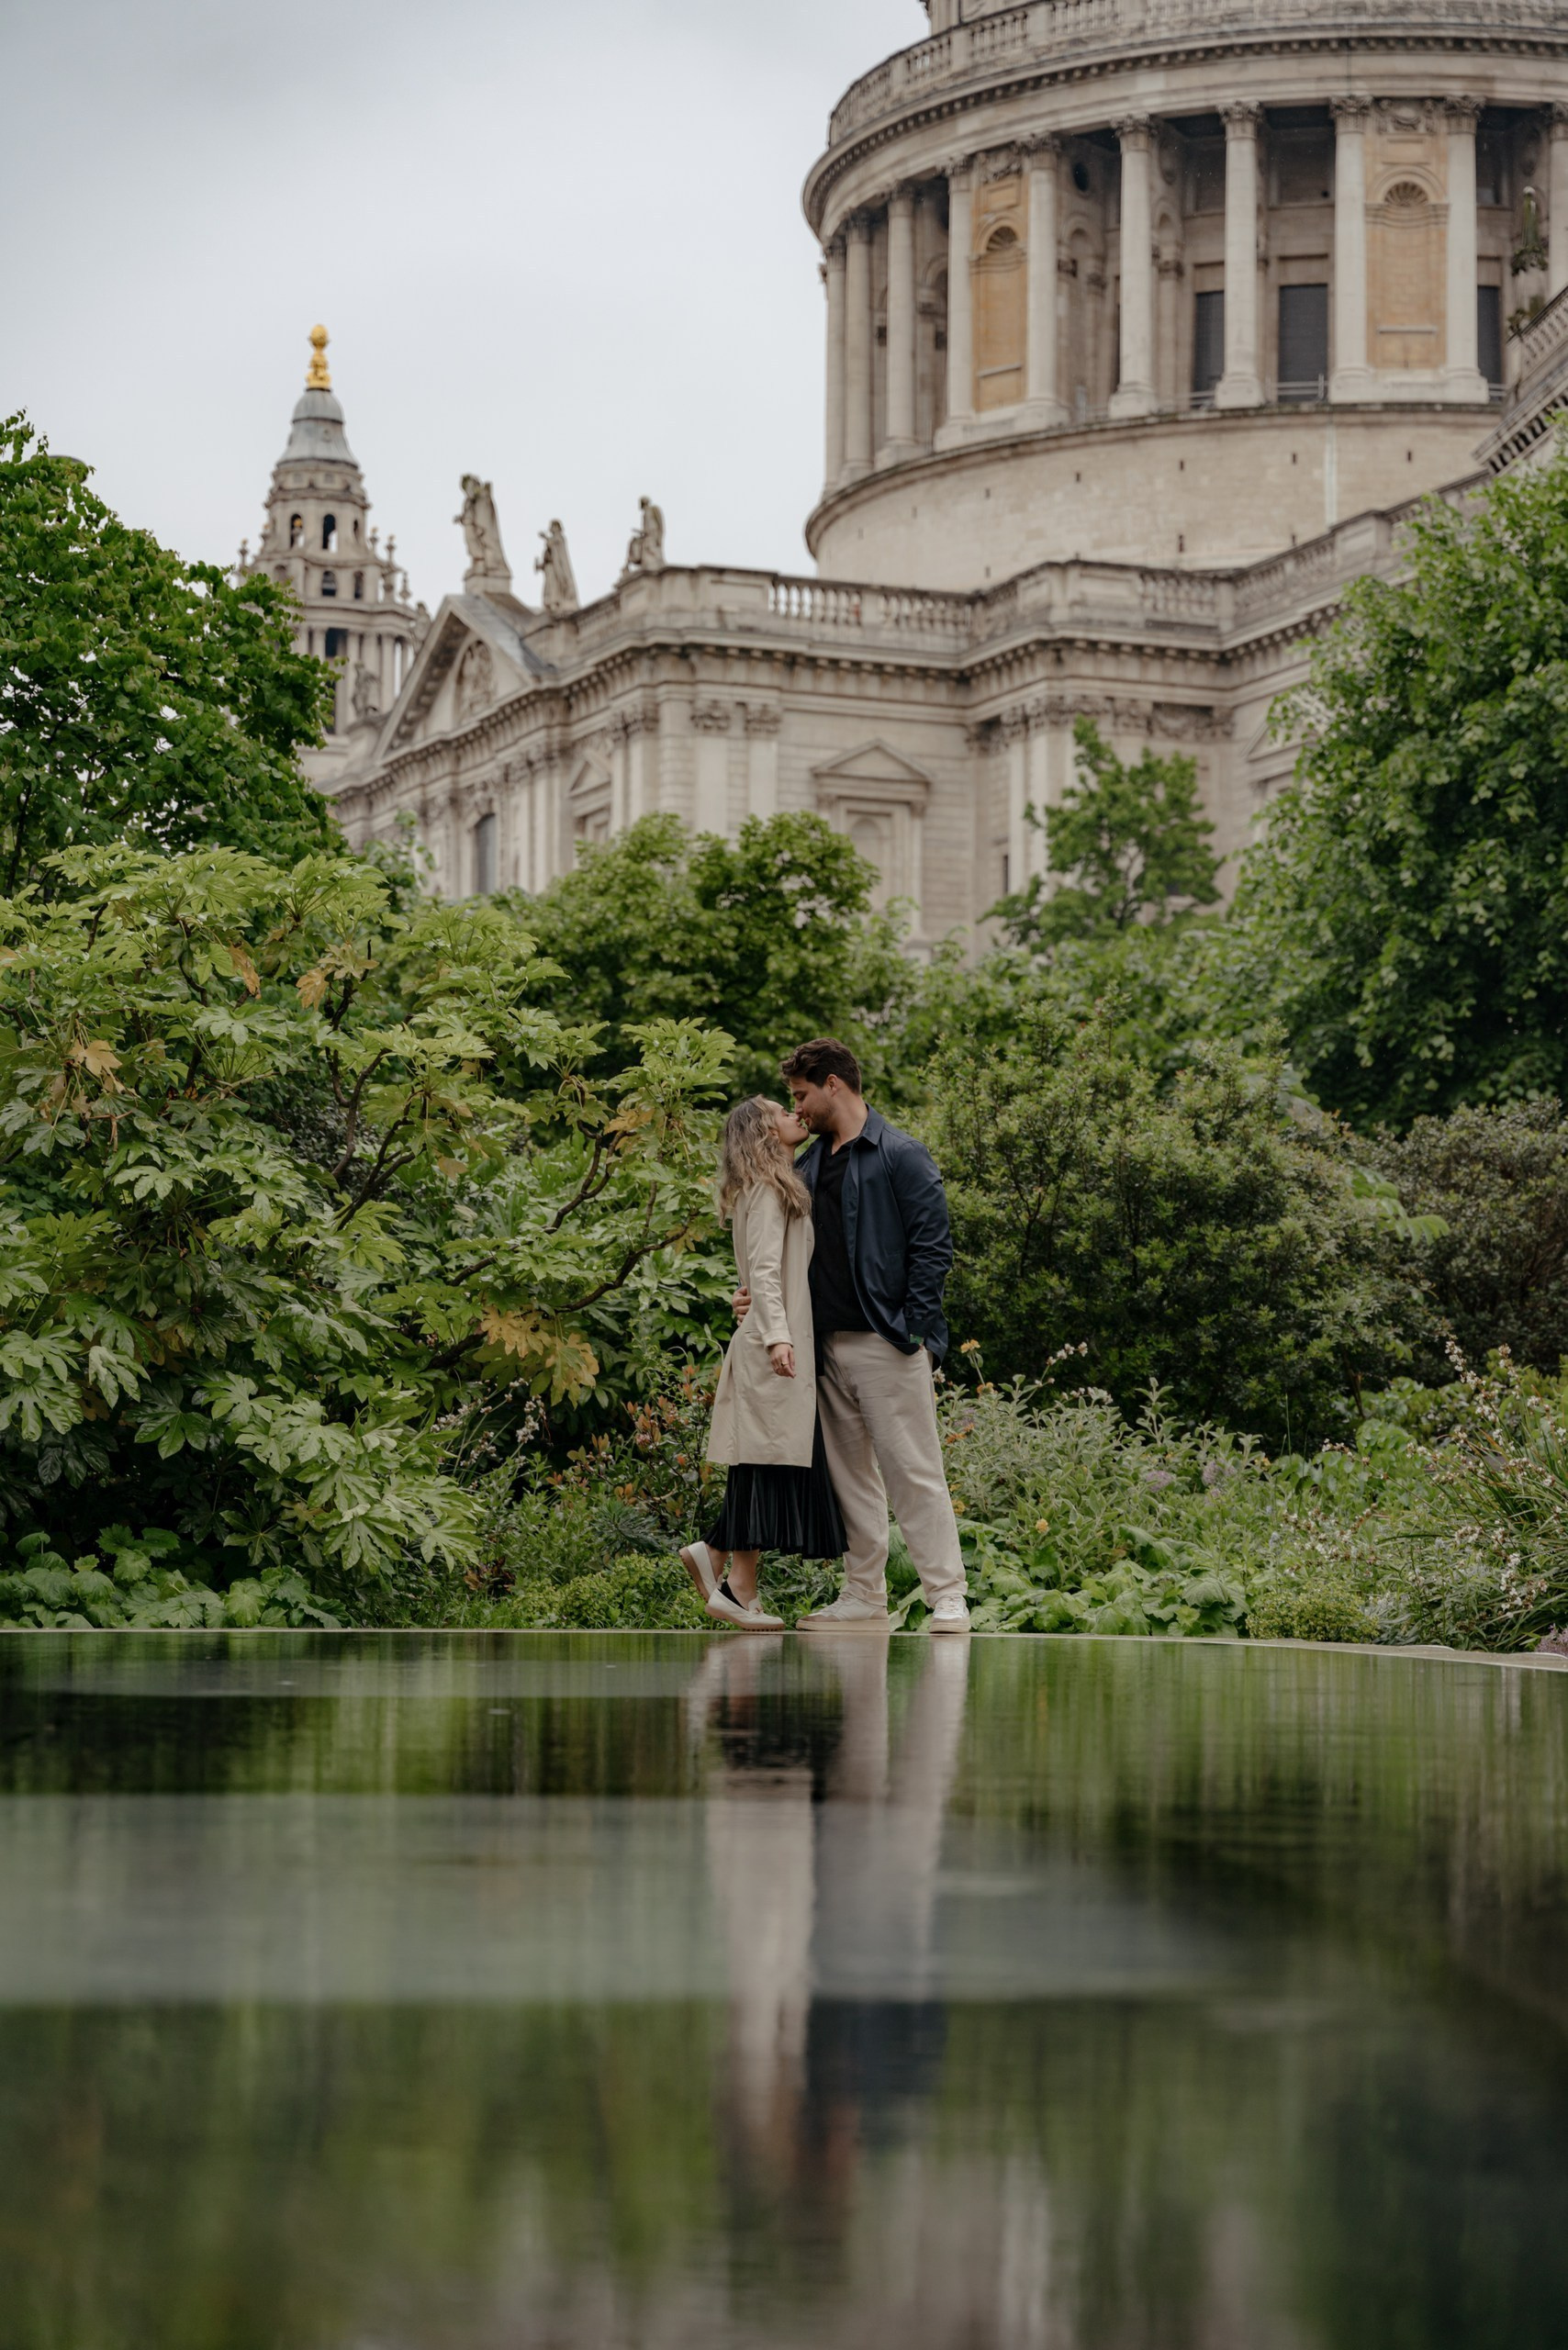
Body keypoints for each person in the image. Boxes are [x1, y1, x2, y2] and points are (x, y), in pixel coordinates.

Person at [735, 1038, 969, 1634]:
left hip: (886, 1342)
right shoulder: (808, 1165)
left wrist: (915, 1332)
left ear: (834, 1084)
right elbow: (781, 1253)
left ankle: (948, 1597)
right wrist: (754, 1299)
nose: (799, 1108)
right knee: (852, 1481)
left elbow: (933, 1249)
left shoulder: (901, 1154)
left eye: (802, 1095)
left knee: (913, 1472)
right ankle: (865, 1596)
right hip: (823, 1347)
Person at [682, 1096, 848, 1630]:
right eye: (781, 1111)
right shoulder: (768, 1190)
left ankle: (729, 1575)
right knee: (764, 1465)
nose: (794, 1115)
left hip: (773, 1340)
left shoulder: (768, 1186)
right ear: (762, 1132)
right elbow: (766, 1272)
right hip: (773, 1348)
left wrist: (758, 1309)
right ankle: (727, 1574)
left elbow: (759, 1276)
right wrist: (777, 1336)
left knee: (764, 1465)